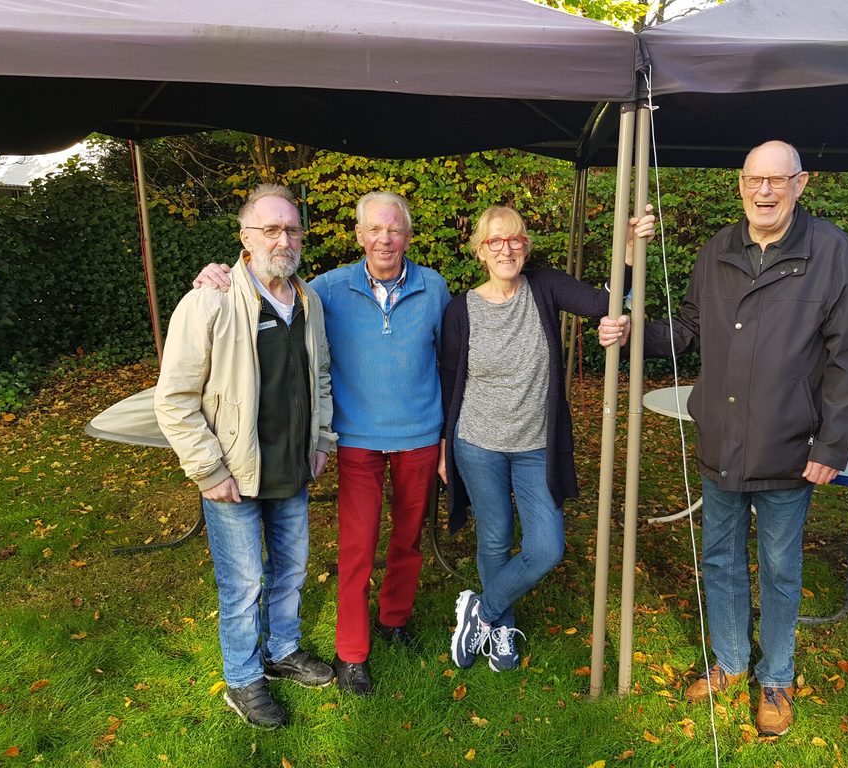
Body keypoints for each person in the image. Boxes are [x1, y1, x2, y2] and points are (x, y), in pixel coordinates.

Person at [600, 140, 848, 736]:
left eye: (778, 180)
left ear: (801, 184)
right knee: (719, 558)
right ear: (740, 184)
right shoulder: (717, 249)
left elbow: (846, 355)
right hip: (720, 438)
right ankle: (727, 661)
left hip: (788, 445)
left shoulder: (830, 251)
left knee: (778, 567)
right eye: (754, 180)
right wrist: (632, 329)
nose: (764, 191)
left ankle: (775, 677)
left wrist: (832, 447)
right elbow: (688, 330)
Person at [193, 191, 450, 695]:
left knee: (408, 539)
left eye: (395, 229)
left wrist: (445, 437)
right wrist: (214, 274)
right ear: (358, 236)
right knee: (357, 548)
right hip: (356, 440)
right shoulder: (326, 289)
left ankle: (394, 621)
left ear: (409, 236)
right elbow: (262, 285)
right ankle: (352, 653)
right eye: (374, 229)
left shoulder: (435, 287)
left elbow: (450, 360)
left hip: (420, 434)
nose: (385, 239)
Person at [442, 204, 654, 673]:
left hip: (536, 444)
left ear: (525, 246)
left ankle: (482, 609)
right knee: (495, 539)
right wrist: (444, 450)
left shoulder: (545, 285)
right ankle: (499, 632)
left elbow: (604, 303)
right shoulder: (461, 310)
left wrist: (630, 251)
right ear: (480, 250)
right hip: (477, 443)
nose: (507, 249)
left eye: (515, 239)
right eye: (495, 241)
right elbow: (448, 381)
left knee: (546, 548)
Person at [155, 184, 337, 729]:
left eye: (292, 229)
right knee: (243, 584)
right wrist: (207, 469)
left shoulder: (309, 300)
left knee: (291, 570)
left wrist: (322, 439)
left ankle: (281, 651)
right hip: (234, 471)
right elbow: (176, 398)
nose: (284, 239)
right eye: (271, 229)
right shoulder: (208, 299)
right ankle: (242, 678)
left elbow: (320, 377)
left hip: (293, 465)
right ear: (245, 237)